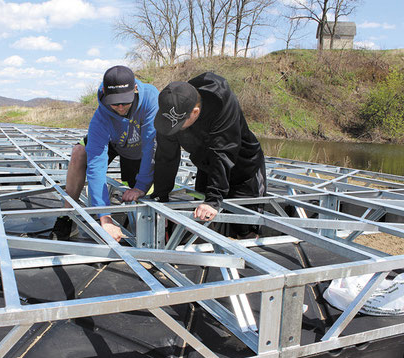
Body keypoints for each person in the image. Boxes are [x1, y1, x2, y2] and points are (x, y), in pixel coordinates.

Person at [49, 65, 158, 242]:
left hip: (138, 146)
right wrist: (104, 216)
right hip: (114, 140)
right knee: (79, 152)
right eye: (115, 103)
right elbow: (96, 165)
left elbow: (151, 147)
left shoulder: (151, 99)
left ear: (135, 89)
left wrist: (140, 186)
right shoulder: (100, 118)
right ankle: (67, 216)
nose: (121, 107)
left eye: (125, 101)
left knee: (144, 190)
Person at [152, 72, 266, 238]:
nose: (174, 130)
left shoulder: (221, 103)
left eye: (179, 126)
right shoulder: (173, 108)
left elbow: (223, 152)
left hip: (243, 168)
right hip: (206, 165)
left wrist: (213, 199)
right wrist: (161, 195)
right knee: (203, 221)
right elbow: (166, 156)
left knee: (244, 227)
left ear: (195, 112)